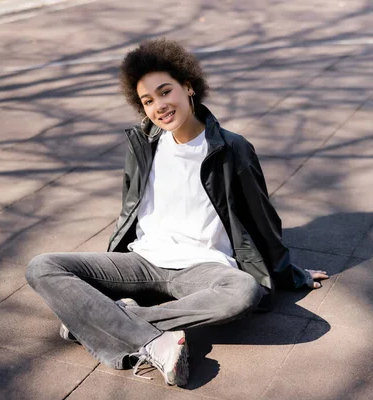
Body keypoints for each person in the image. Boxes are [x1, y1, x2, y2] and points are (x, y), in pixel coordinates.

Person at [26, 38, 329, 387]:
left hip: (203, 266)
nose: (160, 106)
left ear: (188, 87)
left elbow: (261, 219)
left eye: (165, 91)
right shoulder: (143, 145)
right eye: (148, 101)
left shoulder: (232, 148)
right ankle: (152, 339)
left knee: (245, 291)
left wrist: (289, 273)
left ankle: (114, 321)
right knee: (43, 266)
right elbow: (130, 209)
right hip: (142, 262)